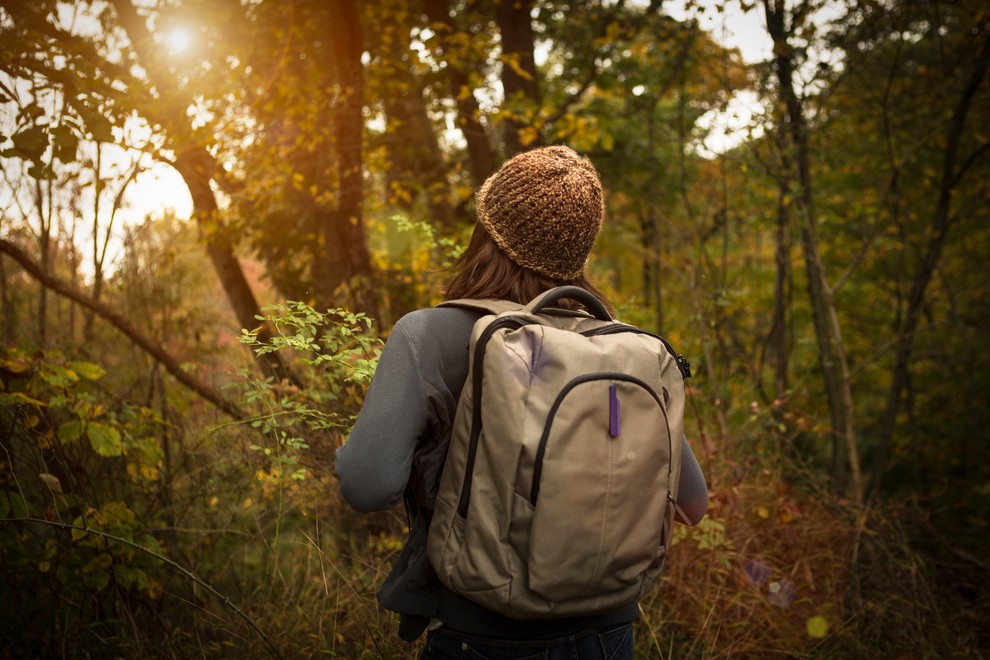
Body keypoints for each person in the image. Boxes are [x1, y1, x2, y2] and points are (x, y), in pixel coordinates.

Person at [335, 145, 708, 659]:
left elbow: (366, 484)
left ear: (486, 231)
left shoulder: (430, 335)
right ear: (578, 254)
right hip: (611, 637)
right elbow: (693, 504)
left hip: (480, 636)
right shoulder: (619, 351)